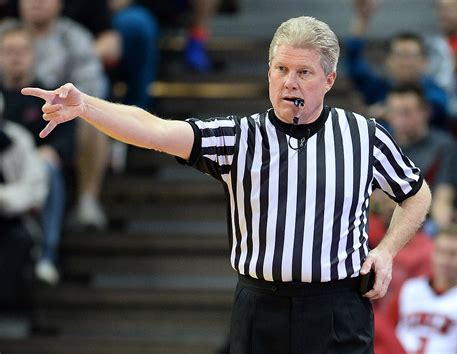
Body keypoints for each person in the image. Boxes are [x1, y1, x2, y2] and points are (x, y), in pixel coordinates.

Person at [22, 16, 432, 353]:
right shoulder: (238, 136)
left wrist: (387, 250)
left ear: (328, 79)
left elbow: (416, 193)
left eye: (304, 72)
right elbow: (154, 131)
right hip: (260, 306)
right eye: (281, 69)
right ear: (268, 71)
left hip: (337, 308)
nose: (290, 82)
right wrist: (86, 105)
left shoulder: (364, 135)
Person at [0, 0, 110, 230]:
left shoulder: (76, 38)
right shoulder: (5, 30)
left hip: (58, 122)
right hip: (7, 119)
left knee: (93, 115)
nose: (36, 2)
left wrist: (56, 146)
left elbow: (92, 92)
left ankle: (87, 199)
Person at [346, 0, 449, 128]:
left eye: (412, 56)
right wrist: (362, 18)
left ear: (425, 62)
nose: (406, 63)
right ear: (388, 61)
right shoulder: (379, 89)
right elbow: (353, 61)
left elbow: (437, 108)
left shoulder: (435, 91)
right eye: (400, 55)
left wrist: (389, 112)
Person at [388, 224, 457, 354]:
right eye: (440, 252)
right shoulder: (409, 288)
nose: (444, 260)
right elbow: (386, 333)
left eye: (453, 254)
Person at [0, 91, 49, 306]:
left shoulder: (17, 139)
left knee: (19, 240)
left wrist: (3, 198)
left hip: (10, 221)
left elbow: (34, 191)